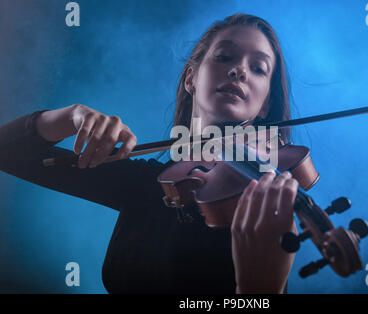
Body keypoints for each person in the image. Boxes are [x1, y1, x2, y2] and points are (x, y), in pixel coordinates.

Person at [0, 13, 300, 294]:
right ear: (190, 79)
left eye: (259, 68)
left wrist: (260, 289)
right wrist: (70, 117)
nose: (239, 71)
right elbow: (7, 151)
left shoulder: (258, 209)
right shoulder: (151, 184)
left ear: (264, 105)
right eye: (224, 56)